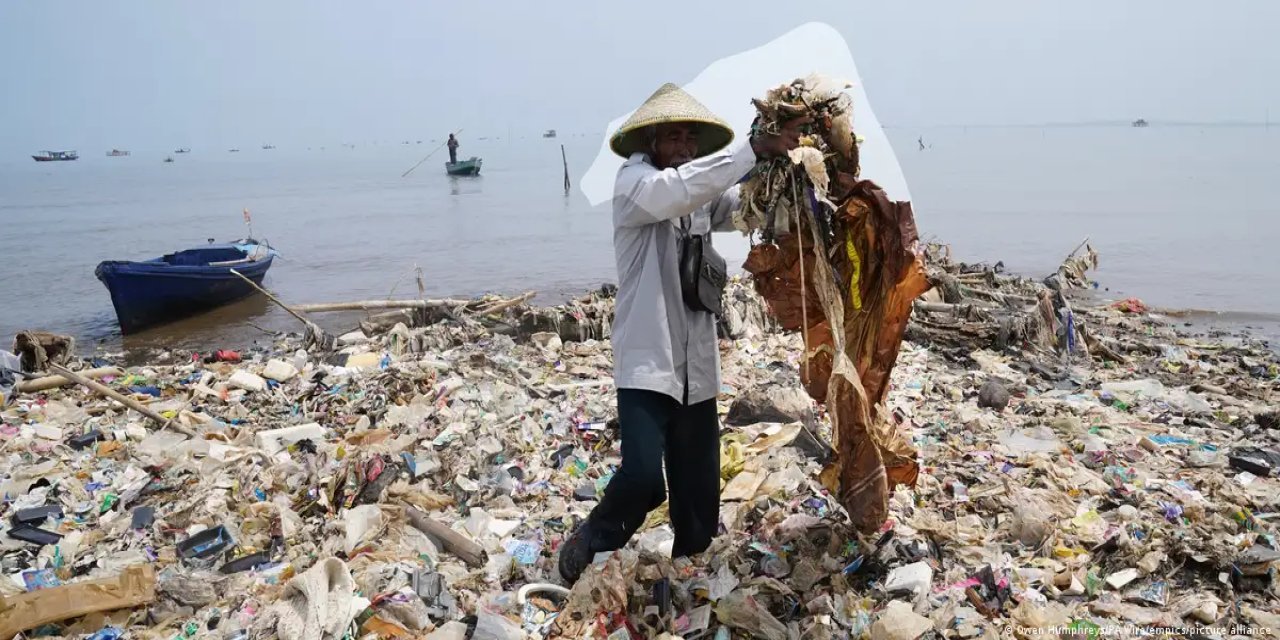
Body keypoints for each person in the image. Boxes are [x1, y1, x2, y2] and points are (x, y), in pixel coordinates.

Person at [557, 83, 807, 584]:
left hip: (695, 363)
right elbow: (678, 192)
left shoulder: (695, 196)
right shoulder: (636, 185)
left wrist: (793, 182)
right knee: (645, 476)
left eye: (690, 139)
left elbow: (744, 210)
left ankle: (691, 573)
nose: (685, 148)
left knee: (699, 490)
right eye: (674, 137)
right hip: (648, 362)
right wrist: (752, 147)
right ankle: (594, 535)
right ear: (650, 140)